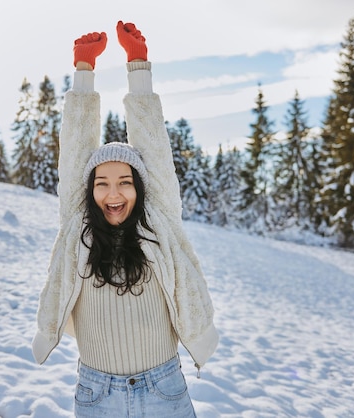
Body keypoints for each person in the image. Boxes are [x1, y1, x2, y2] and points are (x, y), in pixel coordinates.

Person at [32, 20, 218, 418]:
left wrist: (138, 66)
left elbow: (153, 143)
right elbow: (76, 148)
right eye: (101, 183)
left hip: (163, 388)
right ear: (88, 191)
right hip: (98, 393)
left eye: (124, 183)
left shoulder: (158, 222)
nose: (113, 193)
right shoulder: (78, 226)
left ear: (141, 188)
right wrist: (84, 71)